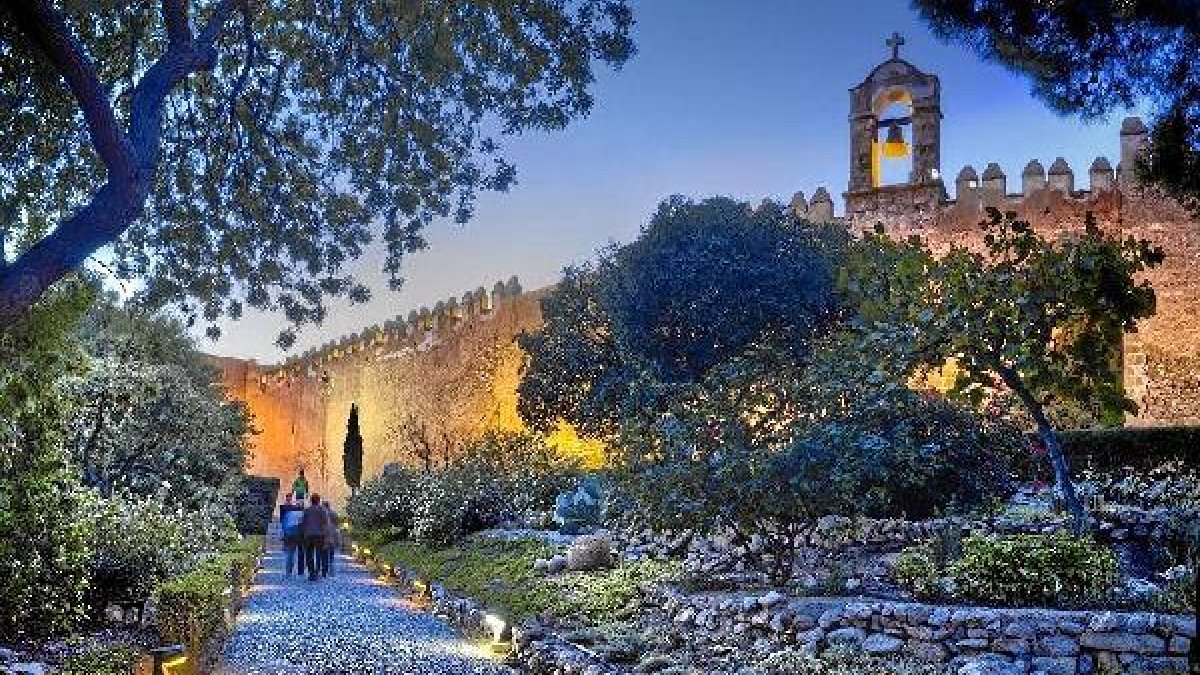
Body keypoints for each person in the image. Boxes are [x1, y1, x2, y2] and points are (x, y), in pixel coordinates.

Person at [300, 493, 330, 581]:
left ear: (311, 501)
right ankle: (317, 572)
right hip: (320, 535)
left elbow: (303, 523)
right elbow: (326, 523)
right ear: (319, 500)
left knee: (309, 554)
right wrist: (326, 535)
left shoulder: (307, 510)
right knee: (319, 554)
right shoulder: (322, 510)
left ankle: (311, 573)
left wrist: (302, 534)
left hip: (308, 535)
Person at [279, 493, 306, 576]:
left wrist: (284, 533)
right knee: (301, 553)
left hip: (289, 534)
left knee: (290, 553)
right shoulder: (303, 513)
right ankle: (300, 571)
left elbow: (283, 523)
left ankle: (288, 571)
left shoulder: (288, 512)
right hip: (300, 535)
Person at [321, 501, 341, 577]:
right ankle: (331, 571)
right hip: (333, 535)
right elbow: (337, 524)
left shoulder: (322, 514)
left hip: (324, 536)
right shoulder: (334, 513)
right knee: (331, 554)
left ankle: (324, 571)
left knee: (324, 554)